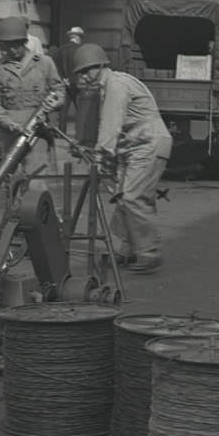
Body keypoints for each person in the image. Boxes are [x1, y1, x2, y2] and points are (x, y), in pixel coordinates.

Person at [72, 43, 171, 274]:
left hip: (147, 144)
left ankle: (148, 252)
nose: (85, 78)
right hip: (134, 147)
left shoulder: (116, 86)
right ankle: (128, 249)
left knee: (132, 197)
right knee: (124, 196)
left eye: (87, 71)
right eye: (81, 73)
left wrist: (98, 155)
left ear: (100, 66)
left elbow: (110, 126)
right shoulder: (107, 87)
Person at [0, 15, 63, 175]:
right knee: (10, 177)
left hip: (38, 129)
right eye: (4, 47)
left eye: (14, 46)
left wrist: (56, 103)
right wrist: (8, 123)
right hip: (10, 131)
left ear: (23, 42)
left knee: (36, 176)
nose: (9, 51)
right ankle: (14, 200)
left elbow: (58, 90)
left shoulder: (44, 63)